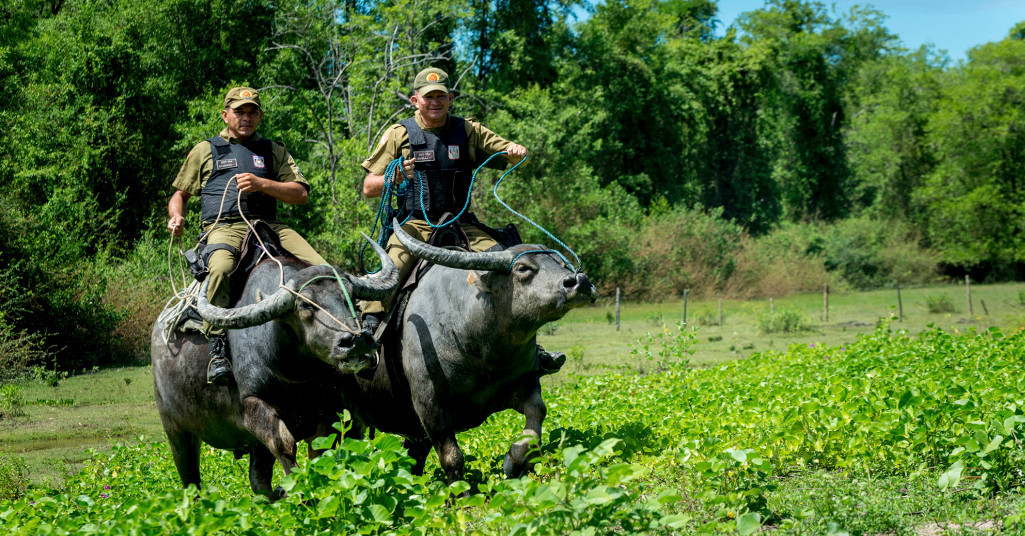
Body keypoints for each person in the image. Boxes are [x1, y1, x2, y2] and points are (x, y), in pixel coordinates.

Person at [360, 67, 565, 374]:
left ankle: (531, 350)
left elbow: (512, 154)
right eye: (428, 97)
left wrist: (516, 152)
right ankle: (366, 337)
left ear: (451, 98)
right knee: (391, 271)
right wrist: (395, 175)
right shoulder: (399, 133)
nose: (435, 102)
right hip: (415, 224)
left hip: (460, 223)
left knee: (508, 263)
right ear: (415, 100)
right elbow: (368, 187)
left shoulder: (468, 130)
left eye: (441, 96)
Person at [167, 86, 328, 386]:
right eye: (239, 112)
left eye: (252, 112)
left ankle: (341, 336)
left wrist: (262, 184)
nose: (246, 117)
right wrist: (177, 216)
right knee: (220, 270)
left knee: (323, 269)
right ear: (225, 115)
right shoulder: (206, 150)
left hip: (270, 226)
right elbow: (180, 195)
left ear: (260, 116)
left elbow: (300, 194)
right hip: (224, 227)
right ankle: (218, 348)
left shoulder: (274, 150)